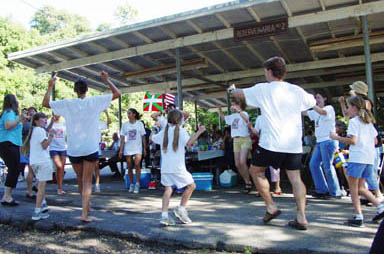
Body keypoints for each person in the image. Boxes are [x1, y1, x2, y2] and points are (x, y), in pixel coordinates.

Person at [230, 56, 316, 230]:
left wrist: (231, 89)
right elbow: (312, 102)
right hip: (293, 144)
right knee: (295, 179)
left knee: (256, 171)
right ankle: (301, 217)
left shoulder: (263, 89)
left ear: (269, 72)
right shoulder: (296, 90)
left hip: (271, 143)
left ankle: (271, 206)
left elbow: (239, 94)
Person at [42, 71, 121, 222]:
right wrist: (107, 79)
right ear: (87, 89)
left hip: (74, 148)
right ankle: (84, 213)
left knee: (80, 179)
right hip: (90, 147)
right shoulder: (95, 101)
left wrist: (50, 86)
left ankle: (86, 206)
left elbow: (45, 104)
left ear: (74, 90)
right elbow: (117, 93)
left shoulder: (67, 103)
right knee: (87, 181)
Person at [330, 96, 384, 227]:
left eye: (348, 107)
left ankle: (358, 216)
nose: (347, 110)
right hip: (368, 158)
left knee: (353, 189)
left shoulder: (354, 122)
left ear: (354, 108)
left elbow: (353, 141)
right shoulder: (368, 122)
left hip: (357, 158)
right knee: (360, 188)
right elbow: (375, 141)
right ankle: (380, 207)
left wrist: (336, 137)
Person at [151, 109, 206, 226]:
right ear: (180, 120)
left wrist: (154, 129)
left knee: (168, 189)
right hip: (178, 167)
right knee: (191, 186)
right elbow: (189, 143)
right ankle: (181, 209)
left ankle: (164, 216)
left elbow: (152, 138)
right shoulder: (181, 131)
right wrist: (199, 132)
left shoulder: (164, 132)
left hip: (165, 167)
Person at [339, 81, 383, 200]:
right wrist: (343, 104)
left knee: (370, 172)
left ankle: (377, 195)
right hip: (364, 141)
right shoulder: (355, 108)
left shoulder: (365, 102)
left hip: (368, 141)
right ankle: (368, 195)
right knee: (365, 173)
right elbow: (347, 115)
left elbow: (361, 115)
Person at [303, 91, 342, 199]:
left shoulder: (329, 108)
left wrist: (311, 103)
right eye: (316, 98)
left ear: (325, 98)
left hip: (328, 141)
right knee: (313, 164)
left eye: (319, 97)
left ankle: (335, 192)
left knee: (327, 166)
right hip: (320, 142)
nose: (317, 99)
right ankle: (322, 190)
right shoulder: (316, 111)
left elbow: (322, 112)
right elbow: (304, 113)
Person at [21, 112, 55, 220]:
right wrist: (51, 136)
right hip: (43, 161)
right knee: (42, 187)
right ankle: (37, 211)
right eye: (43, 119)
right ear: (36, 121)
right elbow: (44, 145)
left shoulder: (34, 131)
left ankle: (43, 205)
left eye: (46, 119)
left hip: (34, 161)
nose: (45, 121)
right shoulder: (40, 130)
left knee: (40, 184)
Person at [217, 101, 253, 193]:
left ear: (239, 106)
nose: (232, 106)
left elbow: (246, 120)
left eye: (234, 104)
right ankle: (247, 182)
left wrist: (239, 111)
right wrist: (220, 109)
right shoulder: (233, 116)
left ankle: (249, 183)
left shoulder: (244, 113)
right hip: (236, 140)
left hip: (245, 138)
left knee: (242, 161)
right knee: (237, 164)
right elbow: (224, 118)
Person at [0, 94, 26, 206]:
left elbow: (16, 126)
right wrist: (19, 119)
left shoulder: (10, 113)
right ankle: (7, 196)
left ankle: (7, 195)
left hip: (12, 143)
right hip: (8, 143)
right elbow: (8, 126)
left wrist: (22, 120)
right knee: (14, 168)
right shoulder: (8, 113)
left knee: (15, 168)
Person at [119, 108, 147, 194]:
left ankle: (137, 183)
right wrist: (121, 150)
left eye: (130, 113)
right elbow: (123, 138)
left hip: (138, 147)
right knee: (129, 166)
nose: (128, 115)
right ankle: (131, 183)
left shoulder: (139, 124)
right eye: (127, 113)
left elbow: (143, 137)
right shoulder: (125, 125)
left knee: (137, 164)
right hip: (128, 148)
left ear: (134, 114)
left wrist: (144, 148)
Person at [49, 115, 67, 195]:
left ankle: (60, 187)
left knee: (62, 168)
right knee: (58, 166)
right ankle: (58, 187)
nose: (57, 116)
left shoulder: (63, 123)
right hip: (53, 147)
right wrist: (51, 122)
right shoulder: (49, 122)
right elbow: (46, 130)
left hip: (62, 147)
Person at [94, 110, 111, 193]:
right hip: (87, 144)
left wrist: (106, 113)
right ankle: (85, 183)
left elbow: (109, 122)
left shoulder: (99, 123)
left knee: (96, 166)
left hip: (96, 146)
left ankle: (97, 185)